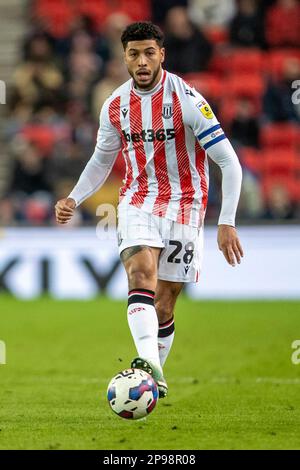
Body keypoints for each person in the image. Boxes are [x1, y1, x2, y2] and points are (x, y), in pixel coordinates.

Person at [55, 22, 243, 398]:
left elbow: (229, 162)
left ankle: (152, 372)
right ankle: (149, 367)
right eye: (133, 54)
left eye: (149, 53)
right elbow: (101, 160)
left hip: (186, 205)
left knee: (166, 299)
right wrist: (74, 197)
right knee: (141, 272)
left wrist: (227, 223)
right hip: (137, 200)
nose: (141, 61)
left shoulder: (187, 100)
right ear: (124, 57)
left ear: (162, 54)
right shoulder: (115, 105)